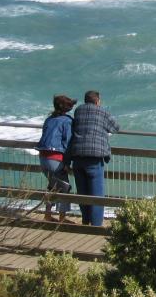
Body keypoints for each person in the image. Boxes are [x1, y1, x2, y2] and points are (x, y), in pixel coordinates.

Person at [63, 90, 119, 226]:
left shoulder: (78, 111)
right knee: (96, 195)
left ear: (85, 100)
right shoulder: (103, 112)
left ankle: (85, 220)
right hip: (94, 157)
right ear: (98, 101)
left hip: (77, 156)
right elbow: (116, 128)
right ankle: (95, 225)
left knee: (82, 192)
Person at [35, 94, 76, 222]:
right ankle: (62, 217)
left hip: (43, 157)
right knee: (64, 186)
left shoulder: (49, 119)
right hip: (56, 158)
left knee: (52, 185)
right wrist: (66, 163)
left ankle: (47, 214)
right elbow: (67, 143)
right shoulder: (67, 121)